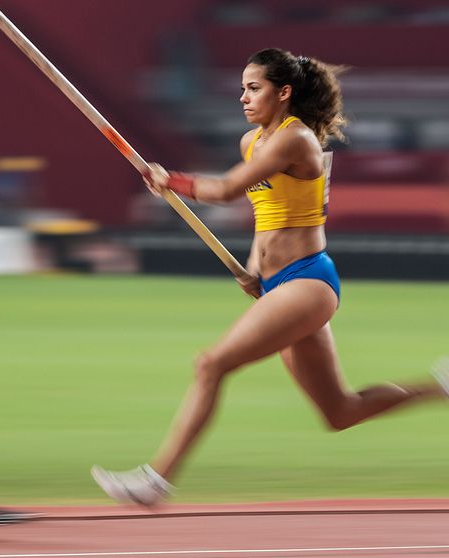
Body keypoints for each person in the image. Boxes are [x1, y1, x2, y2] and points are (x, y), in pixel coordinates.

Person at [91, 48, 449, 506]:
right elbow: (269, 215)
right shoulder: (252, 141)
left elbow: (225, 191)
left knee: (211, 364)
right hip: (277, 283)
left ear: (284, 93)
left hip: (308, 282)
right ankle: (438, 387)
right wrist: (256, 271)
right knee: (339, 412)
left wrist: (171, 180)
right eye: (242, 87)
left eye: (254, 88)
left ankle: (155, 481)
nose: (243, 97)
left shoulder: (294, 139)